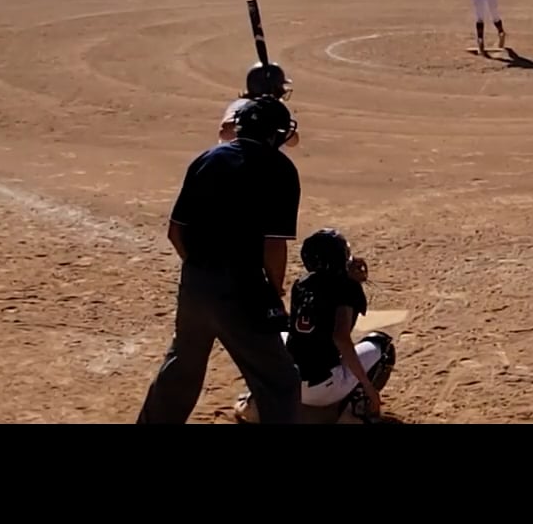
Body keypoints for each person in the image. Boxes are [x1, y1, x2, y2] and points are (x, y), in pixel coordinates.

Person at [137, 95, 304, 425]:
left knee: (182, 367)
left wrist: (199, 270)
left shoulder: (208, 159)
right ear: (275, 133)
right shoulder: (280, 169)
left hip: (195, 285)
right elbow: (273, 245)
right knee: (280, 381)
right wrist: (274, 290)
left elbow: (175, 231)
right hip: (243, 289)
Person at [235, 229, 397, 424]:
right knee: (383, 346)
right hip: (323, 388)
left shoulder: (300, 283)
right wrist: (369, 388)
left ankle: (257, 401)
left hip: (290, 381)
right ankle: (355, 410)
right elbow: (341, 338)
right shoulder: (347, 288)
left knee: (278, 335)